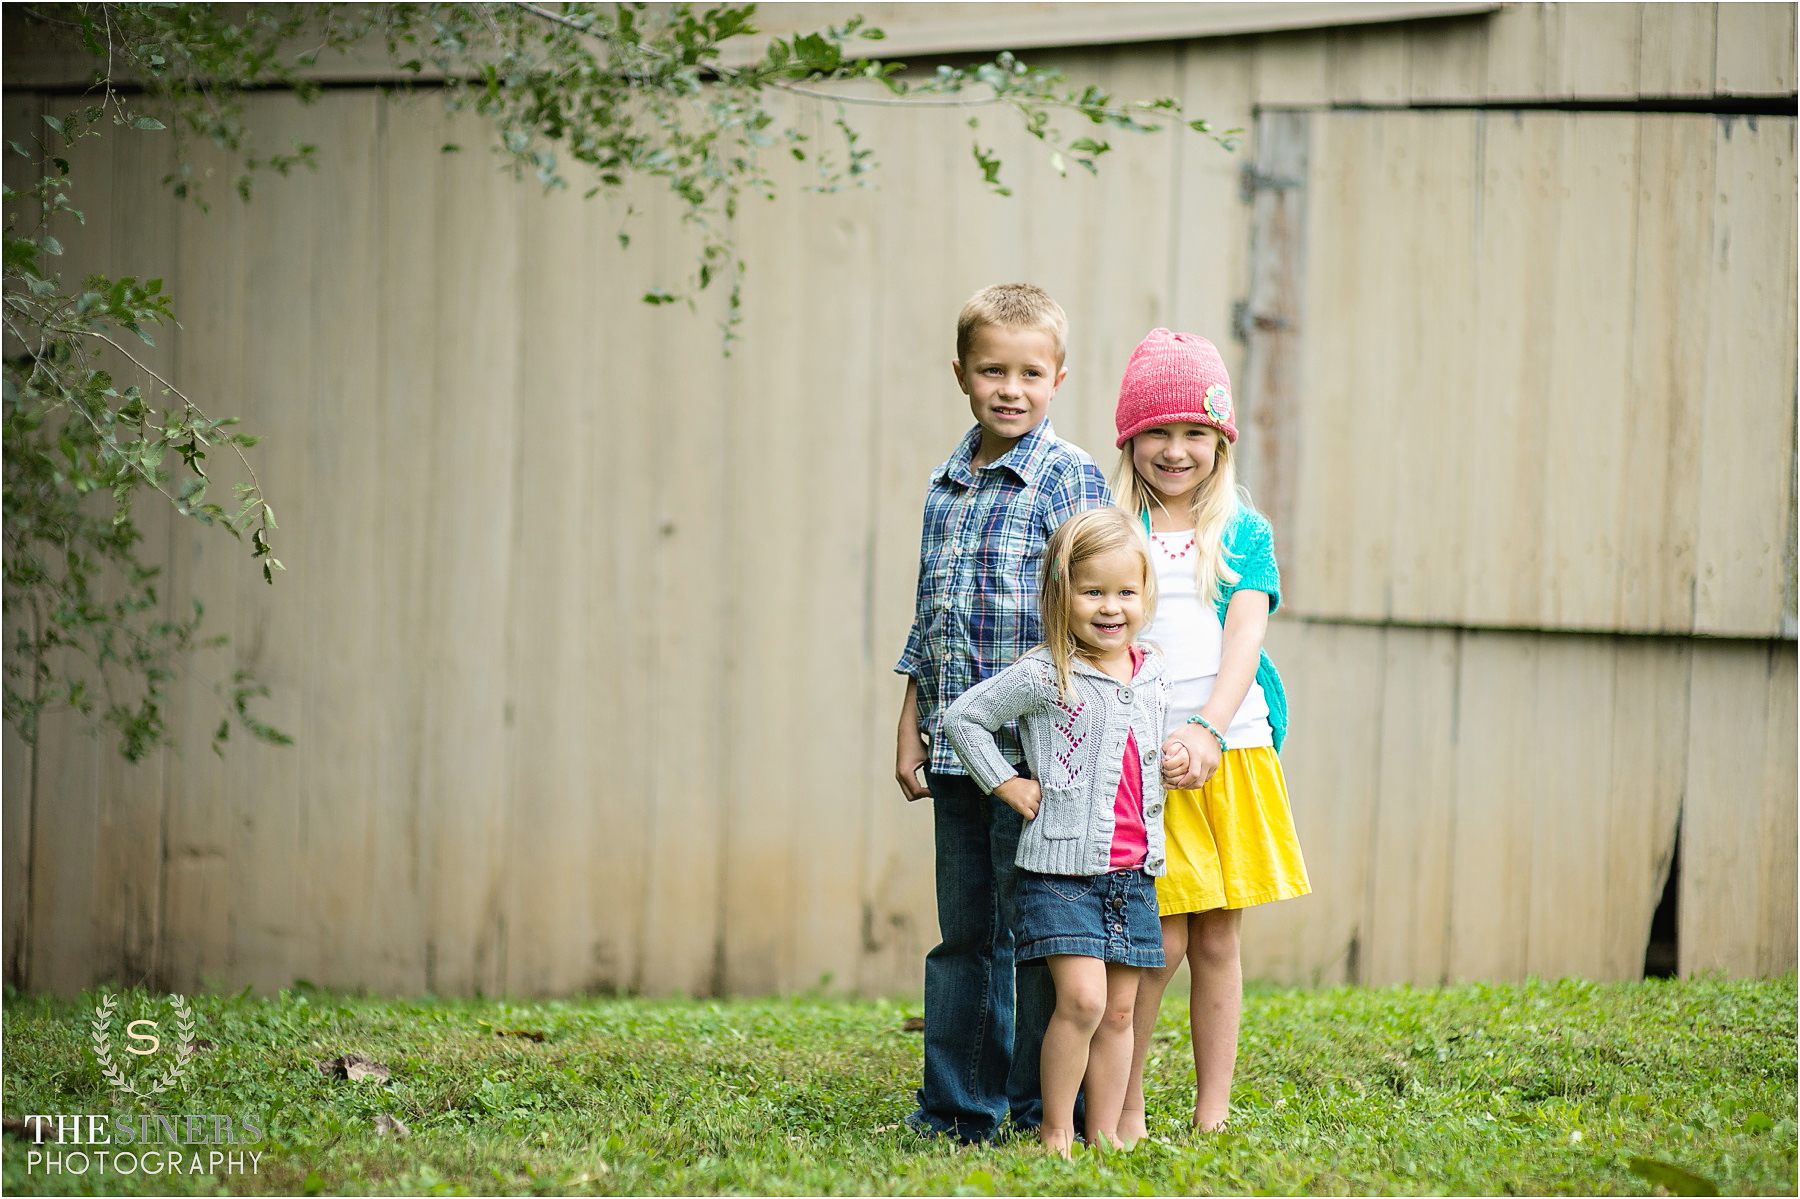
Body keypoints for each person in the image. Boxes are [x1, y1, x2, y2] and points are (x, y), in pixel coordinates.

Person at [894, 283, 1111, 1143]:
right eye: (992, 370)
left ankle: (1041, 1104)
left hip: (1041, 757)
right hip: (958, 750)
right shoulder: (945, 486)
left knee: (1042, 935)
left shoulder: (1070, 477)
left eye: (1030, 372)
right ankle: (958, 1108)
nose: (1010, 389)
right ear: (961, 374)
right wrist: (909, 714)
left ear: (1059, 377)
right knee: (966, 937)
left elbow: (1098, 609)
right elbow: (929, 617)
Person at [1107, 329, 1311, 1138]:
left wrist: (1209, 729)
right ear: (1130, 438)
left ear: (1221, 439)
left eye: (1196, 431)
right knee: (1155, 942)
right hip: (1146, 762)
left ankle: (1212, 1109)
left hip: (1228, 750)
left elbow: (1244, 643)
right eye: (1157, 430)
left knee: (1219, 939)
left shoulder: (1241, 533)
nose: (1176, 448)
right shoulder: (1113, 527)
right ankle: (1125, 1102)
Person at [942, 507, 1173, 1156]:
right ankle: (1055, 1132)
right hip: (1063, 872)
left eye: (1126, 592)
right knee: (1081, 1000)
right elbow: (965, 718)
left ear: (1145, 595)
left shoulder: (1152, 670)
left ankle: (1105, 1136)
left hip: (1134, 873)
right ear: (1061, 593)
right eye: (1092, 590)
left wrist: (1176, 759)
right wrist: (1006, 781)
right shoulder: (1049, 671)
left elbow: (1146, 753)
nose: (1110, 607)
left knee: (1121, 1012)